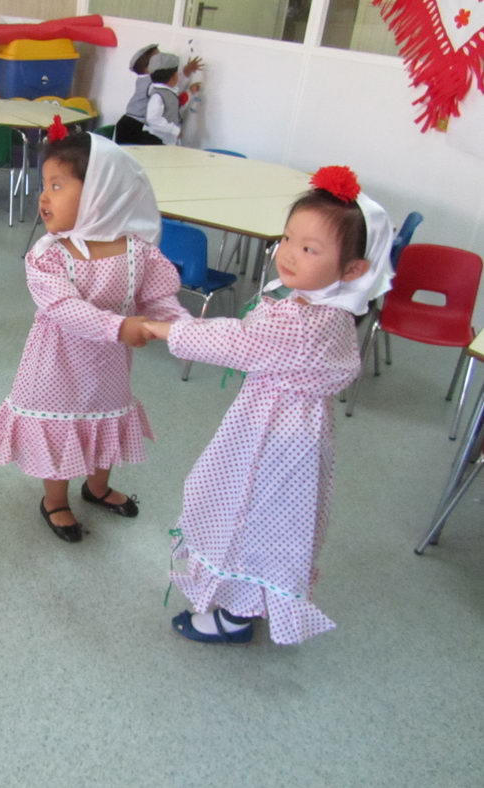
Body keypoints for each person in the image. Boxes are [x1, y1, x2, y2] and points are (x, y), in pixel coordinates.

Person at [142, 166, 394, 645]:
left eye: (309, 248)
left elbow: (236, 341)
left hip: (272, 438)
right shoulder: (321, 306)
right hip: (286, 431)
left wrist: (161, 329)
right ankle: (248, 601)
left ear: (353, 270)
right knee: (267, 517)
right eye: (287, 239)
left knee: (245, 510)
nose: (288, 254)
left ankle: (233, 617)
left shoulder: (304, 321)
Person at [0, 125, 186, 543]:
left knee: (105, 421)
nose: (44, 197)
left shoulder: (138, 251)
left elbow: (161, 299)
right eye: (43, 185)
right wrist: (121, 326)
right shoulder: (48, 254)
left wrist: (177, 326)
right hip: (55, 368)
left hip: (108, 369)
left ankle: (97, 486)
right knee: (61, 429)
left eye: (57, 185)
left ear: (101, 193)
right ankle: (55, 500)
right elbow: (64, 308)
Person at [115, 45, 202, 145]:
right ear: (147, 68)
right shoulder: (151, 82)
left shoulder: (145, 79)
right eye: (158, 59)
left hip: (130, 123)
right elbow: (170, 88)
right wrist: (186, 75)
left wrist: (186, 73)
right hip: (134, 126)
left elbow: (170, 87)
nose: (162, 60)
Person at [141, 51, 201, 146]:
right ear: (173, 77)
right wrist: (174, 130)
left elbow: (177, 103)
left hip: (166, 140)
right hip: (156, 141)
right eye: (177, 74)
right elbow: (152, 118)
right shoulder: (158, 95)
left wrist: (190, 92)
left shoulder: (167, 91)